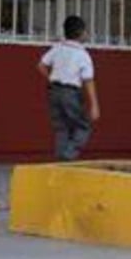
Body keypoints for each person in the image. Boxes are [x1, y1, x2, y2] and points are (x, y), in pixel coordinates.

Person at [38, 16, 100, 161]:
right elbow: (88, 81)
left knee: (61, 128)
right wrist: (94, 105)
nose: (87, 33)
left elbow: (41, 65)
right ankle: (68, 155)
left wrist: (51, 78)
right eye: (86, 31)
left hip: (54, 91)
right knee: (83, 126)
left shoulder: (57, 48)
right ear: (80, 33)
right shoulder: (83, 54)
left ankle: (60, 162)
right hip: (71, 93)